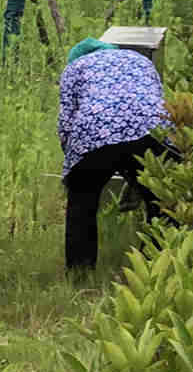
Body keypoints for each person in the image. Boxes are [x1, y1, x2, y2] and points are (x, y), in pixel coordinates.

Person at [58, 37, 177, 271]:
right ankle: (156, 268)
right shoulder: (140, 60)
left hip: (95, 130)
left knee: (82, 202)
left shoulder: (74, 68)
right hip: (151, 130)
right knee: (160, 201)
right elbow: (156, 99)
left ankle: (80, 271)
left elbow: (66, 123)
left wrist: (75, 165)